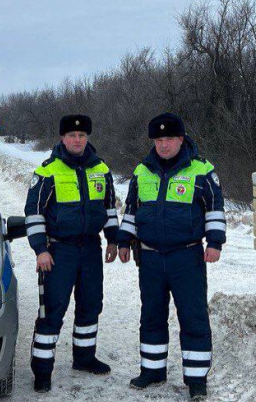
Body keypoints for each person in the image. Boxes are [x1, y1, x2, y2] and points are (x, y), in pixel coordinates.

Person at [117, 113, 225, 400]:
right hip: (150, 257)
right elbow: (131, 209)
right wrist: (124, 240)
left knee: (193, 317)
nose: (163, 145)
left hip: (186, 256)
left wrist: (215, 242)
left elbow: (215, 209)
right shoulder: (142, 170)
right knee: (151, 314)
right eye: (159, 140)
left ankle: (196, 378)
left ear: (181, 139)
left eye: (169, 139)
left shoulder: (201, 170)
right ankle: (152, 370)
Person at [24, 114, 119, 392]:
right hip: (58, 250)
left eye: (82, 135)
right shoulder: (47, 171)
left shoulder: (101, 168)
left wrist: (113, 239)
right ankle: (42, 370)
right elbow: (34, 214)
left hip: (90, 248)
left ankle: (85, 358)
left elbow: (109, 208)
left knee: (91, 304)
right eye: (71, 135)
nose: (77, 140)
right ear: (62, 138)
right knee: (52, 309)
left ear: (87, 138)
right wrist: (40, 249)